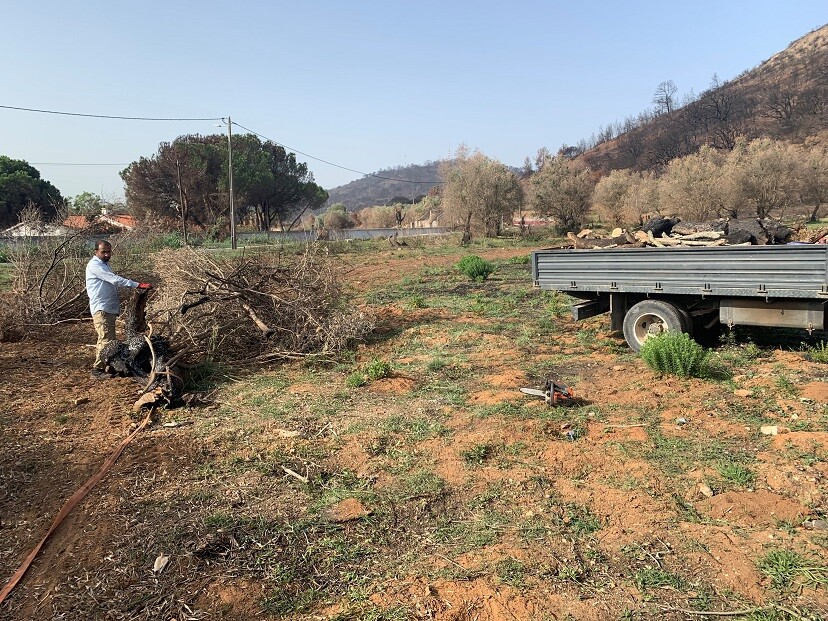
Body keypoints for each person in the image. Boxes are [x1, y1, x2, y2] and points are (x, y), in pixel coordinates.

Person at [85, 240, 151, 379]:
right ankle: (97, 370)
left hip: (107, 307)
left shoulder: (104, 265)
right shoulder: (95, 265)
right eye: (103, 252)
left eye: (109, 252)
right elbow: (114, 280)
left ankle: (107, 366)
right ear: (96, 252)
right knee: (106, 340)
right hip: (101, 308)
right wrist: (136, 284)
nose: (107, 254)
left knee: (108, 339)